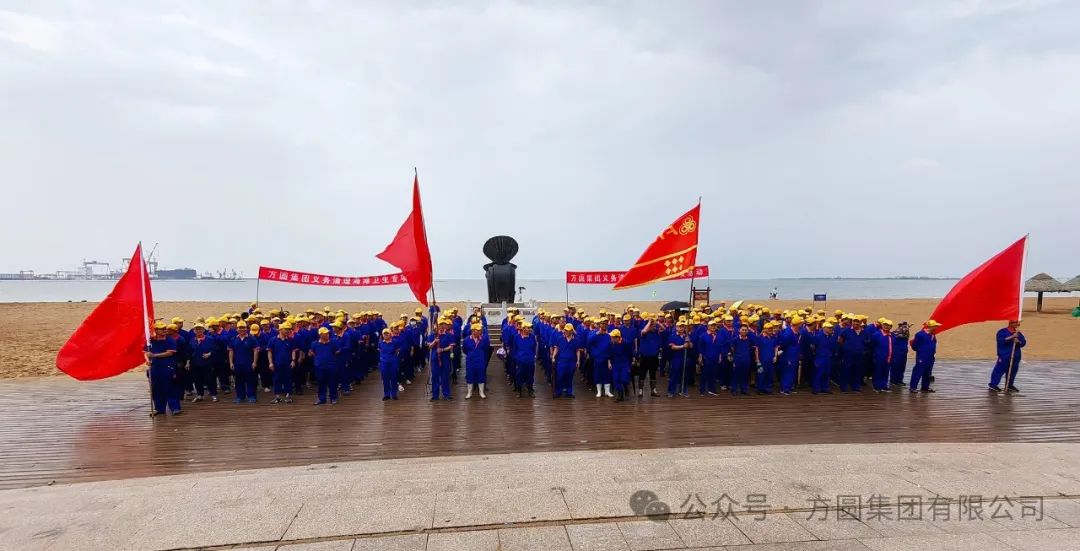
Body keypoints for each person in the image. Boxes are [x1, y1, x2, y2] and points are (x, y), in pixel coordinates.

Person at [147, 322, 181, 415]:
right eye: (161, 328)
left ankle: (175, 407)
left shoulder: (170, 340)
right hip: (155, 367)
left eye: (164, 328)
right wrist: (147, 359)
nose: (164, 330)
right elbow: (145, 352)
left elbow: (170, 353)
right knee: (156, 388)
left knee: (169, 387)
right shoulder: (151, 340)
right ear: (156, 330)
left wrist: (154, 355)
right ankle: (159, 408)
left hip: (167, 367)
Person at [990, 320, 1026, 393]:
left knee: (1013, 371)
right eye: (1015, 322)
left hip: (1015, 355)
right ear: (1010, 323)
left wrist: (1018, 341)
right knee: (999, 370)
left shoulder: (1018, 333)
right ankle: (993, 384)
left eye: (1017, 322)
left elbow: (1023, 342)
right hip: (1004, 355)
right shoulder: (1002, 332)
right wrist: (1012, 337)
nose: (1017, 324)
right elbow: (1001, 341)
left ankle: (1009, 385)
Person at [229, 323, 261, 403]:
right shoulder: (233, 339)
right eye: (240, 328)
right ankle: (240, 396)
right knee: (239, 380)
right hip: (238, 363)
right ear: (237, 329)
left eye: (243, 328)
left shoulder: (252, 339)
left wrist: (254, 362)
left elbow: (255, 350)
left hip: (249, 363)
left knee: (251, 380)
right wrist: (231, 362)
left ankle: (251, 396)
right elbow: (231, 351)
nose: (242, 329)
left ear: (246, 328)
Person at [268, 322, 298, 403]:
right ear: (280, 330)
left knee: (288, 379)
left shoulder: (291, 340)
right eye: (286, 329)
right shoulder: (273, 340)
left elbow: (293, 351)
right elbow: (270, 352)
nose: (288, 331)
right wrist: (270, 363)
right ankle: (277, 397)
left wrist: (293, 360)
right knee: (276, 379)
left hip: (287, 364)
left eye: (289, 330)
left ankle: (288, 396)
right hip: (276, 363)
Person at [188, 322, 218, 402]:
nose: (198, 331)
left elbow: (215, 349)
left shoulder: (210, 339)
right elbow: (189, 352)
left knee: (210, 379)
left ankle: (213, 394)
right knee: (197, 380)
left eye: (200, 329)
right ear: (194, 330)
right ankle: (199, 395)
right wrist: (188, 362)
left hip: (207, 363)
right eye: (196, 329)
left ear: (203, 330)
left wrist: (209, 353)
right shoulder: (192, 340)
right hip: (195, 363)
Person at [309, 326, 339, 405]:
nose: (327, 335)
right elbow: (312, 352)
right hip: (319, 367)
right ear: (321, 335)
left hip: (331, 366)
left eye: (328, 333)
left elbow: (336, 352)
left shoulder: (333, 342)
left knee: (332, 382)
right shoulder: (314, 344)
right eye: (325, 334)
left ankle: (333, 398)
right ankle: (322, 399)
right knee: (321, 383)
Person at [551, 323, 581, 398]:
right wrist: (553, 357)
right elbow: (556, 348)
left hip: (571, 362)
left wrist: (578, 361)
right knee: (560, 377)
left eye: (567, 331)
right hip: (561, 361)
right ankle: (558, 392)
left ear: (571, 331)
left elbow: (577, 351)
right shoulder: (560, 339)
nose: (565, 332)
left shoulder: (576, 340)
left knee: (569, 377)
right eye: (565, 330)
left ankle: (569, 392)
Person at [909, 320, 940, 393]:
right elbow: (914, 345)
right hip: (922, 356)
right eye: (935, 326)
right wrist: (921, 352)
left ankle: (925, 387)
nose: (936, 327)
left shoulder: (932, 335)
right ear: (931, 326)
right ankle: (913, 387)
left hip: (931, 356)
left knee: (928, 372)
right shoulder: (920, 334)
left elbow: (934, 344)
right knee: (918, 371)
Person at [696, 320, 724, 396]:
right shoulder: (703, 336)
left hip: (715, 357)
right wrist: (700, 357)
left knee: (713, 374)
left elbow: (720, 347)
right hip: (706, 357)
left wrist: (720, 356)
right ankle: (702, 390)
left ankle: (712, 389)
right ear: (708, 327)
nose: (713, 327)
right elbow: (700, 348)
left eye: (714, 325)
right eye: (711, 325)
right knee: (705, 374)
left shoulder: (718, 336)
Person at [777, 317, 804, 395]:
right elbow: (783, 345)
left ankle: (789, 387)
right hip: (788, 355)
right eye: (800, 324)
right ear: (797, 324)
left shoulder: (797, 332)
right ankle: (784, 389)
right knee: (787, 372)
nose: (801, 325)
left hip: (795, 354)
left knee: (792, 371)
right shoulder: (788, 333)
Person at [637, 314, 662, 397]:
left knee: (653, 374)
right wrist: (650, 322)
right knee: (642, 374)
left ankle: (653, 390)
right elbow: (644, 331)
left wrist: (656, 322)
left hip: (654, 357)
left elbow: (664, 329)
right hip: (644, 357)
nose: (653, 327)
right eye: (652, 326)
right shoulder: (644, 333)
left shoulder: (657, 333)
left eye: (654, 326)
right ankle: (640, 391)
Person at [431, 318, 455, 401]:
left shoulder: (449, 335)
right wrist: (435, 341)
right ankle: (435, 395)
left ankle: (446, 394)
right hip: (435, 358)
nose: (441, 326)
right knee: (435, 377)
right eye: (440, 325)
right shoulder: (433, 335)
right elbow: (429, 346)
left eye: (443, 325)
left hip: (445, 358)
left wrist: (442, 349)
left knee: (445, 376)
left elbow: (451, 346)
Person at [587, 322, 613, 398]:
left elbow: (610, 347)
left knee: (607, 375)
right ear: (599, 325)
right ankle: (599, 391)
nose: (603, 326)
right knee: (598, 374)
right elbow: (589, 341)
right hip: (597, 358)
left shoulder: (608, 335)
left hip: (607, 358)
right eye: (602, 324)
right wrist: (597, 333)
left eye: (605, 324)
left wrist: (609, 360)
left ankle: (607, 391)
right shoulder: (594, 334)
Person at [463, 323, 489, 399]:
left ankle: (481, 391)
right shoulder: (467, 340)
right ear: (473, 331)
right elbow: (464, 350)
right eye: (477, 330)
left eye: (480, 330)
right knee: (470, 375)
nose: (479, 332)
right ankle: (469, 392)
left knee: (481, 374)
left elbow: (486, 348)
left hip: (480, 359)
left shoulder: (484, 339)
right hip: (470, 360)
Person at [667, 321, 692, 397]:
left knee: (684, 375)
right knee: (674, 374)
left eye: (682, 327)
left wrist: (688, 341)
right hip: (676, 357)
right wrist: (682, 346)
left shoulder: (686, 336)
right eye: (679, 327)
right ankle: (671, 391)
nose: (681, 328)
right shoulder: (673, 336)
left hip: (684, 357)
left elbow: (691, 346)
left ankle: (683, 391)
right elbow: (672, 347)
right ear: (676, 327)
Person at [811, 321, 837, 394]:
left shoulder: (832, 337)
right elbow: (812, 347)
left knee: (827, 373)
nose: (831, 329)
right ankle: (816, 388)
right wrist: (815, 358)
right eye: (829, 328)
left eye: (831, 328)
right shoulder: (818, 337)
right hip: (820, 357)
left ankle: (825, 387)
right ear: (824, 328)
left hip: (828, 357)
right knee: (818, 373)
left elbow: (833, 347)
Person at [513, 322, 538, 397]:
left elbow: (534, 347)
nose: (530, 329)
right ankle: (519, 391)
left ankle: (530, 390)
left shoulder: (532, 337)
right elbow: (515, 348)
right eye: (528, 328)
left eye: (530, 328)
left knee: (530, 375)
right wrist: (516, 358)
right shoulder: (516, 337)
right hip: (520, 360)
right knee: (519, 375)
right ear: (523, 329)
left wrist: (534, 356)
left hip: (530, 360)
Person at [730, 325, 755, 396]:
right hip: (737, 360)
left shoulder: (749, 340)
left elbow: (752, 349)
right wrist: (734, 360)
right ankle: (734, 389)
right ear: (739, 330)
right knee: (735, 375)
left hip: (746, 360)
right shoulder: (735, 339)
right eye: (742, 330)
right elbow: (732, 350)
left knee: (745, 375)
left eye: (745, 330)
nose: (744, 331)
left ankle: (744, 389)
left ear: (747, 331)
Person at [609, 329, 633, 401]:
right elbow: (609, 354)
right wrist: (609, 362)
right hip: (615, 363)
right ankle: (620, 394)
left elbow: (630, 354)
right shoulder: (611, 344)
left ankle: (626, 387)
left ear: (617, 337)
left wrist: (630, 364)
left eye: (612, 337)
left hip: (624, 363)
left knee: (624, 379)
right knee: (616, 379)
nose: (611, 338)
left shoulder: (626, 343)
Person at [755, 322, 779, 394]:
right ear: (764, 329)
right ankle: (760, 389)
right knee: (761, 374)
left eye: (771, 328)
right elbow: (756, 349)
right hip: (762, 359)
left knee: (769, 374)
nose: (770, 330)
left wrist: (775, 356)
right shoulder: (759, 338)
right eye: (769, 329)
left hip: (770, 359)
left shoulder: (773, 337)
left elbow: (776, 347)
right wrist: (757, 360)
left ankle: (767, 388)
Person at [871, 319, 895, 392]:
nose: (886, 327)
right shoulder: (877, 334)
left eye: (888, 325)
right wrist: (874, 356)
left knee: (886, 372)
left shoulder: (892, 335)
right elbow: (872, 345)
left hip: (889, 357)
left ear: (891, 327)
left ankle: (884, 385)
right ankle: (876, 386)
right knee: (878, 372)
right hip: (879, 357)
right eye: (885, 325)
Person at [890, 321, 911, 387]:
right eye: (903, 326)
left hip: (903, 353)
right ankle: (893, 381)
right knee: (896, 367)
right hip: (896, 353)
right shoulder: (895, 335)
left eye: (906, 326)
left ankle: (899, 380)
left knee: (902, 367)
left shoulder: (905, 336)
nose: (905, 328)